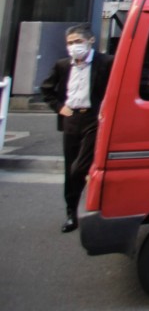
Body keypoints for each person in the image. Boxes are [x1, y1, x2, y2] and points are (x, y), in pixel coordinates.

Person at [40, 24, 114, 233]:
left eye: (77, 41)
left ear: (90, 41)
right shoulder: (63, 65)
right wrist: (59, 107)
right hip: (71, 118)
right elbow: (47, 89)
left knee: (78, 167)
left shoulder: (106, 62)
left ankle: (91, 198)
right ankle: (71, 212)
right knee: (70, 168)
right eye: (70, 43)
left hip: (93, 118)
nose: (74, 46)